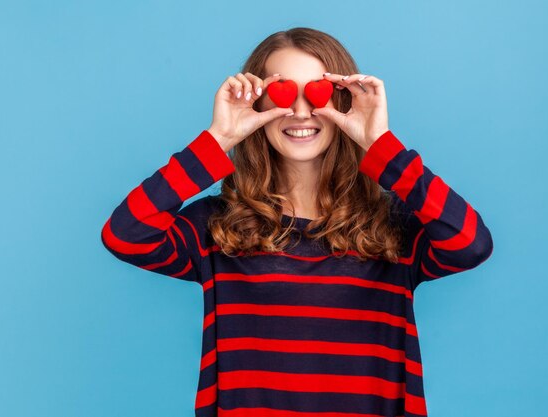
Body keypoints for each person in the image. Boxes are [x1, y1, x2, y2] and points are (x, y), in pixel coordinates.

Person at [101, 27, 493, 417]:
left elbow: (472, 243)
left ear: (343, 100)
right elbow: (125, 234)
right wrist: (218, 138)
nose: (301, 112)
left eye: (318, 93)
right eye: (283, 93)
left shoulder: (392, 226)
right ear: (257, 104)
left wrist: (380, 144)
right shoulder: (217, 226)